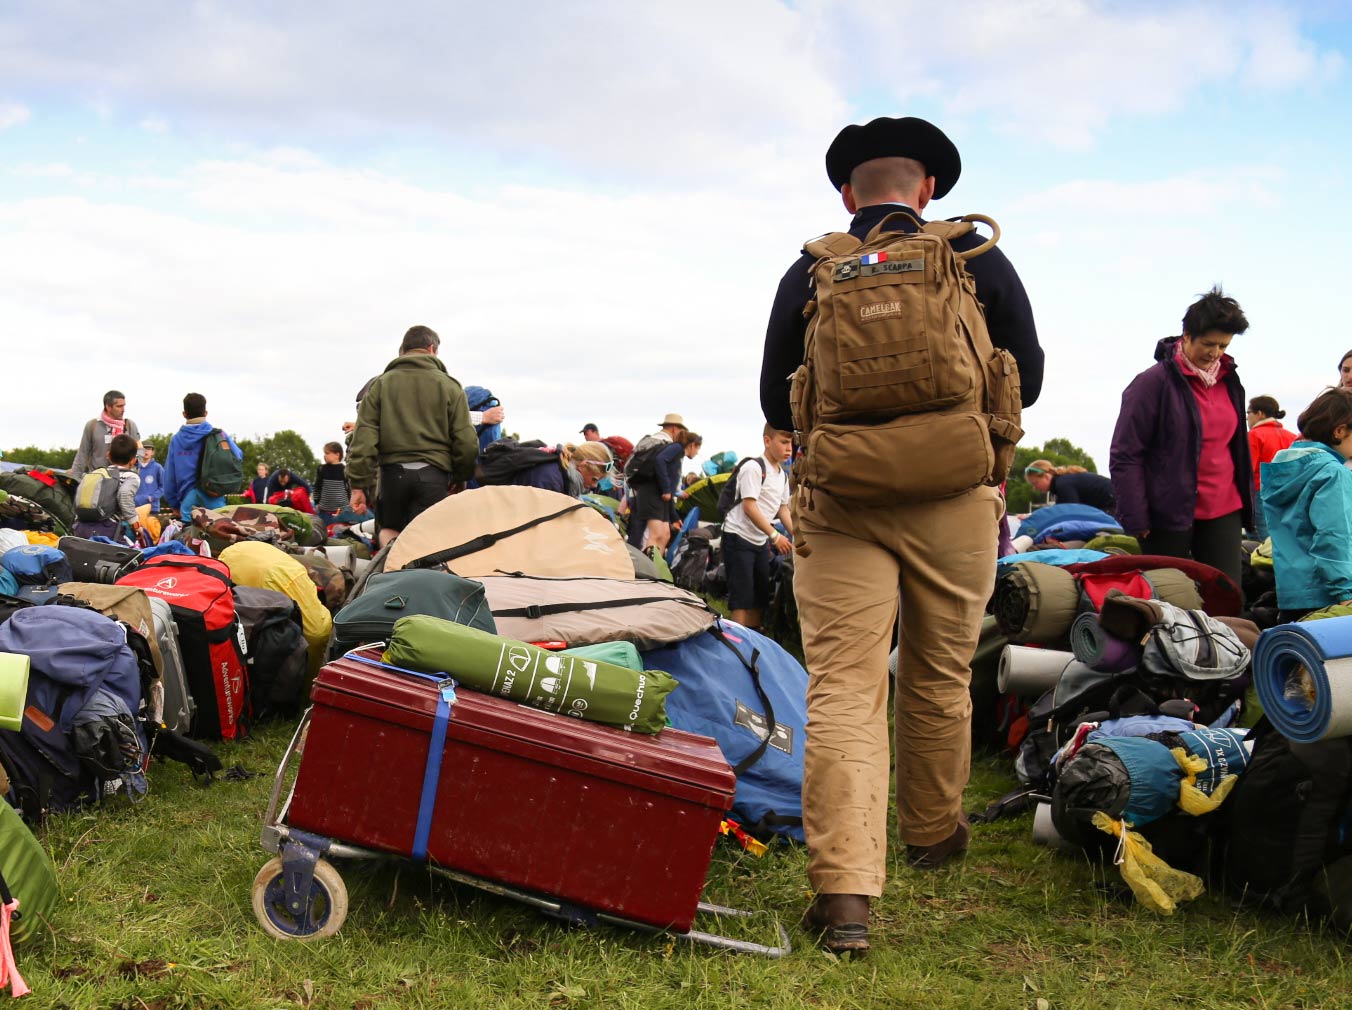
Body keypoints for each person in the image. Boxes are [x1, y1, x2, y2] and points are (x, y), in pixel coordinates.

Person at [760, 115, 1044, 954]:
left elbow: (779, 403)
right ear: (927, 190)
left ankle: (845, 895)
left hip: (843, 498)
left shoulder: (811, 270)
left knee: (845, 688)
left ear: (847, 193)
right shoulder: (976, 258)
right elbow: (1027, 367)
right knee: (939, 667)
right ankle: (930, 827)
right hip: (956, 497)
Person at [1110, 287, 1252, 588]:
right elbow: (1126, 454)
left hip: (1224, 508)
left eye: (1223, 346)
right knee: (1169, 602)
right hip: (1166, 514)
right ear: (1186, 335)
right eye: (1208, 343)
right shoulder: (1150, 384)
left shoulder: (1231, 382)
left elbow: (1236, 446)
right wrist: (1136, 516)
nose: (1215, 353)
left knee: (1226, 599)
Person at [346, 325, 478, 548]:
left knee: (389, 529)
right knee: (430, 540)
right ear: (431, 349)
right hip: (434, 476)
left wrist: (358, 485)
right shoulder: (450, 386)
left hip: (392, 477)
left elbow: (364, 438)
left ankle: (392, 570)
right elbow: (466, 441)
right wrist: (460, 476)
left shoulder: (381, 385)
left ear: (403, 350)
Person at [1261, 387, 1352, 621]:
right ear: (1340, 431)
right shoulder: (1333, 473)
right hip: (1328, 595)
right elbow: (1333, 535)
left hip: (1291, 593)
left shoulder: (1283, 467)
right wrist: (1345, 590)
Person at [721, 426, 794, 631]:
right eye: (784, 442)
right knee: (742, 595)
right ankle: (737, 643)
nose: (789, 448)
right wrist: (775, 535)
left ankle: (754, 638)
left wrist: (798, 536)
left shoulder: (783, 475)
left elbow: (782, 509)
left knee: (760, 593)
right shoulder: (754, 467)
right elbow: (749, 507)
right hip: (738, 537)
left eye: (791, 443)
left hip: (759, 540)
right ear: (767, 441)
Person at [163, 393, 243, 521]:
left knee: (189, 537)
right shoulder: (219, 435)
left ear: (184, 414)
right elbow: (238, 456)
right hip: (213, 494)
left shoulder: (176, 440)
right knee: (218, 536)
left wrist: (174, 504)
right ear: (205, 412)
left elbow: (169, 476)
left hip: (188, 498)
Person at [626, 414, 692, 550]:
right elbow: (671, 475)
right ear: (674, 429)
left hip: (636, 494)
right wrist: (672, 492)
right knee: (653, 538)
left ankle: (631, 568)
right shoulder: (671, 446)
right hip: (655, 498)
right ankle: (648, 570)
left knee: (636, 539)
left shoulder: (647, 441)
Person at [1246, 395, 1297, 540]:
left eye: (1248, 413)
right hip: (1288, 493)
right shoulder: (1292, 437)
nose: (1247, 418)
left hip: (1260, 493)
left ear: (1260, 413)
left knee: (1259, 539)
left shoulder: (1254, 435)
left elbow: (1248, 469)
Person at [72, 433, 141, 540]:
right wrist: (136, 525)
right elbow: (124, 494)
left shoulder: (98, 474)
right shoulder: (131, 477)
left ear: (108, 455)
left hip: (81, 527)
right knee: (137, 553)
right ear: (133, 460)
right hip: (108, 530)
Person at [71, 390, 142, 479]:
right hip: (97, 480)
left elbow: (140, 451)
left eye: (124, 406)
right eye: (119, 406)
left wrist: (134, 466)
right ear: (108, 407)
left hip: (122, 481)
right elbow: (82, 454)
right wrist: (74, 480)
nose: (123, 410)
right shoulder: (92, 426)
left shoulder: (129, 425)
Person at [1022, 460, 1116, 515]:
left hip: (1115, 504)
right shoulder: (1062, 482)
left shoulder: (1062, 484)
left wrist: (1034, 517)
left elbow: (1069, 512)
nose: (1034, 488)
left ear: (1046, 476)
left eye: (1035, 483)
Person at [313, 443, 350, 530]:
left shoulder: (345, 470)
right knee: (325, 532)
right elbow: (316, 487)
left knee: (339, 532)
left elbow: (348, 489)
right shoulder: (322, 469)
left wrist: (348, 505)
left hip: (341, 512)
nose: (325, 456)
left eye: (327, 453)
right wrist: (316, 502)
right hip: (324, 511)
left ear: (337, 455)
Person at [134, 442, 166, 513]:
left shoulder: (158, 467)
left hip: (152, 507)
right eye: (143, 449)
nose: (146, 451)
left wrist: (152, 497)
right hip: (135, 507)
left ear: (153, 452)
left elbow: (164, 486)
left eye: (148, 449)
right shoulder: (134, 467)